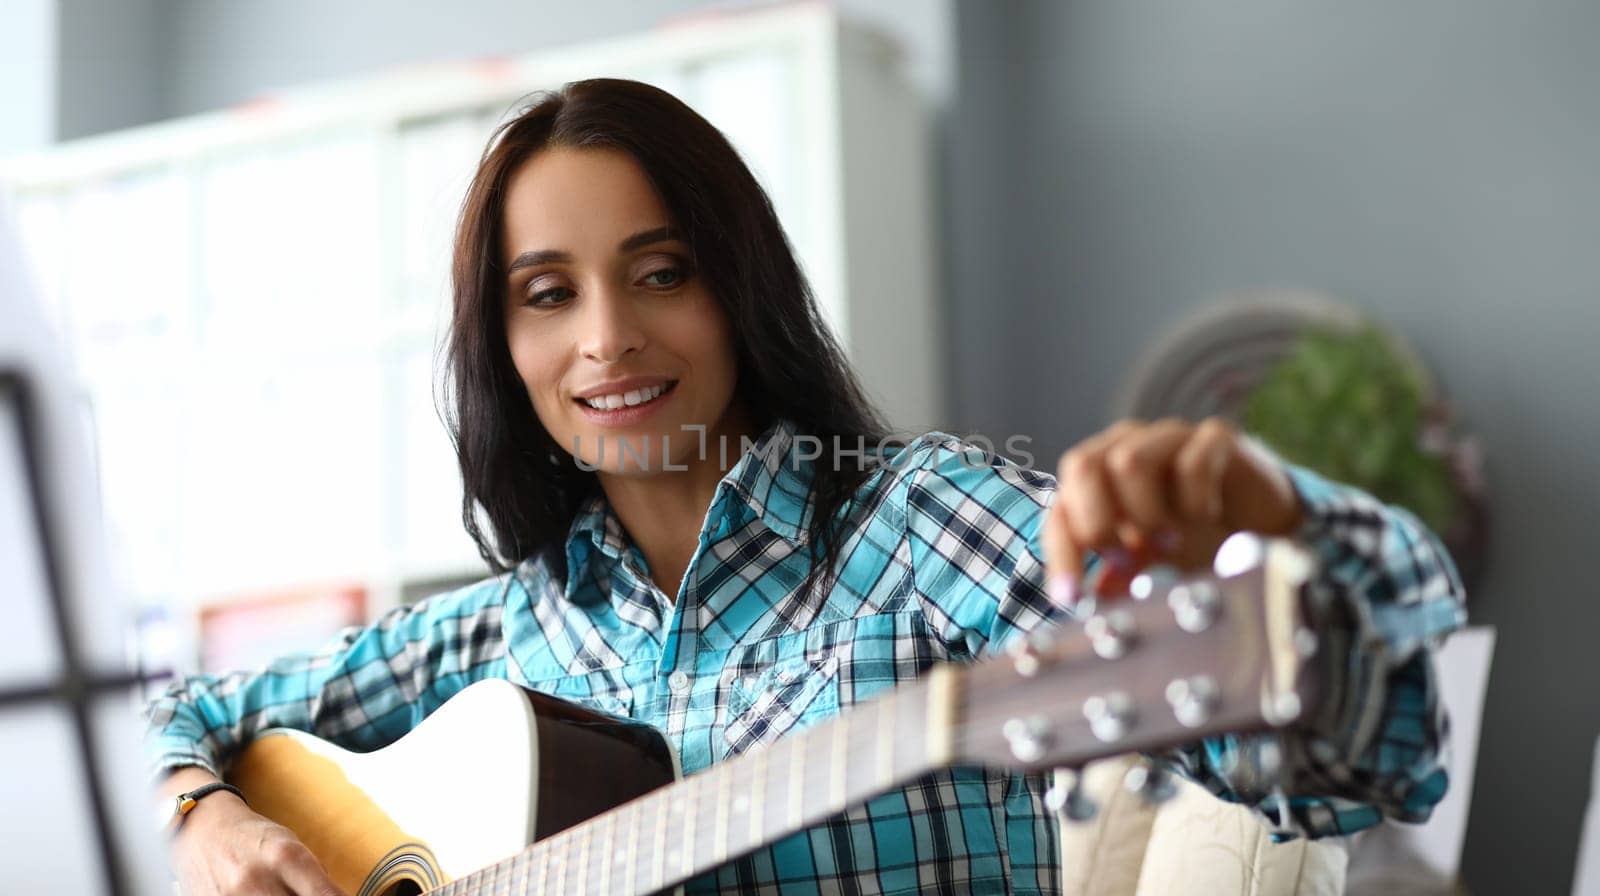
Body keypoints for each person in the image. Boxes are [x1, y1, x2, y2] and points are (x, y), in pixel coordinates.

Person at [143, 78, 1467, 896]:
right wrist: (203, 821)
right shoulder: (496, 637)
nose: (606, 336)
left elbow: (1358, 772)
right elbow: (179, 712)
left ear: (742, 289)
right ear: (506, 351)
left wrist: (1283, 535)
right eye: (548, 297)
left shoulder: (920, 520)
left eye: (661, 272)